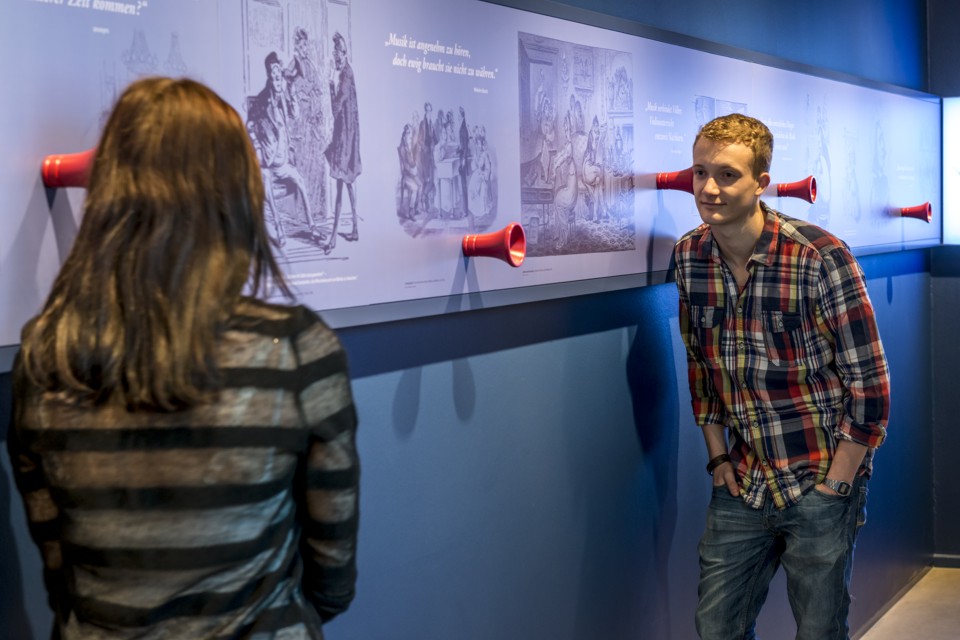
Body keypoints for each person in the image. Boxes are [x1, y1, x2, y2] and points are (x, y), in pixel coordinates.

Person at [7, 77, 360, 639]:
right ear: (236, 192)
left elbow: (58, 564)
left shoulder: (46, 354)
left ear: (111, 190)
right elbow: (332, 570)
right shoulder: (297, 351)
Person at [673, 113, 890, 640]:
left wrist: (839, 480)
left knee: (819, 629)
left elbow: (871, 385)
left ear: (761, 184)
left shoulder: (819, 256)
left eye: (727, 175)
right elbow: (701, 367)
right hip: (742, 479)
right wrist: (717, 455)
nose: (708, 188)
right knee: (716, 627)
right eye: (700, 172)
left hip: (818, 477)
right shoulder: (690, 256)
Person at [247, 51, 321, 245]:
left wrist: (292, 90)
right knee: (267, 186)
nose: (277, 78)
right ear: (269, 76)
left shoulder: (285, 92)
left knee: (301, 183)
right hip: (268, 162)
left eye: (278, 74)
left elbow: (295, 114)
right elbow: (249, 125)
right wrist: (257, 148)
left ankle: (312, 226)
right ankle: (279, 229)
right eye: (273, 75)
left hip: (284, 161)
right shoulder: (263, 100)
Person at [324, 31, 362, 254]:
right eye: (334, 53)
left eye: (337, 53)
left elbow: (335, 107)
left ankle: (332, 239)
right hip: (346, 135)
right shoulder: (347, 72)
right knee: (346, 183)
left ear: (343, 53)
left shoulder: (345, 76)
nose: (335, 57)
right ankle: (355, 228)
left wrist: (330, 85)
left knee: (341, 184)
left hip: (345, 139)